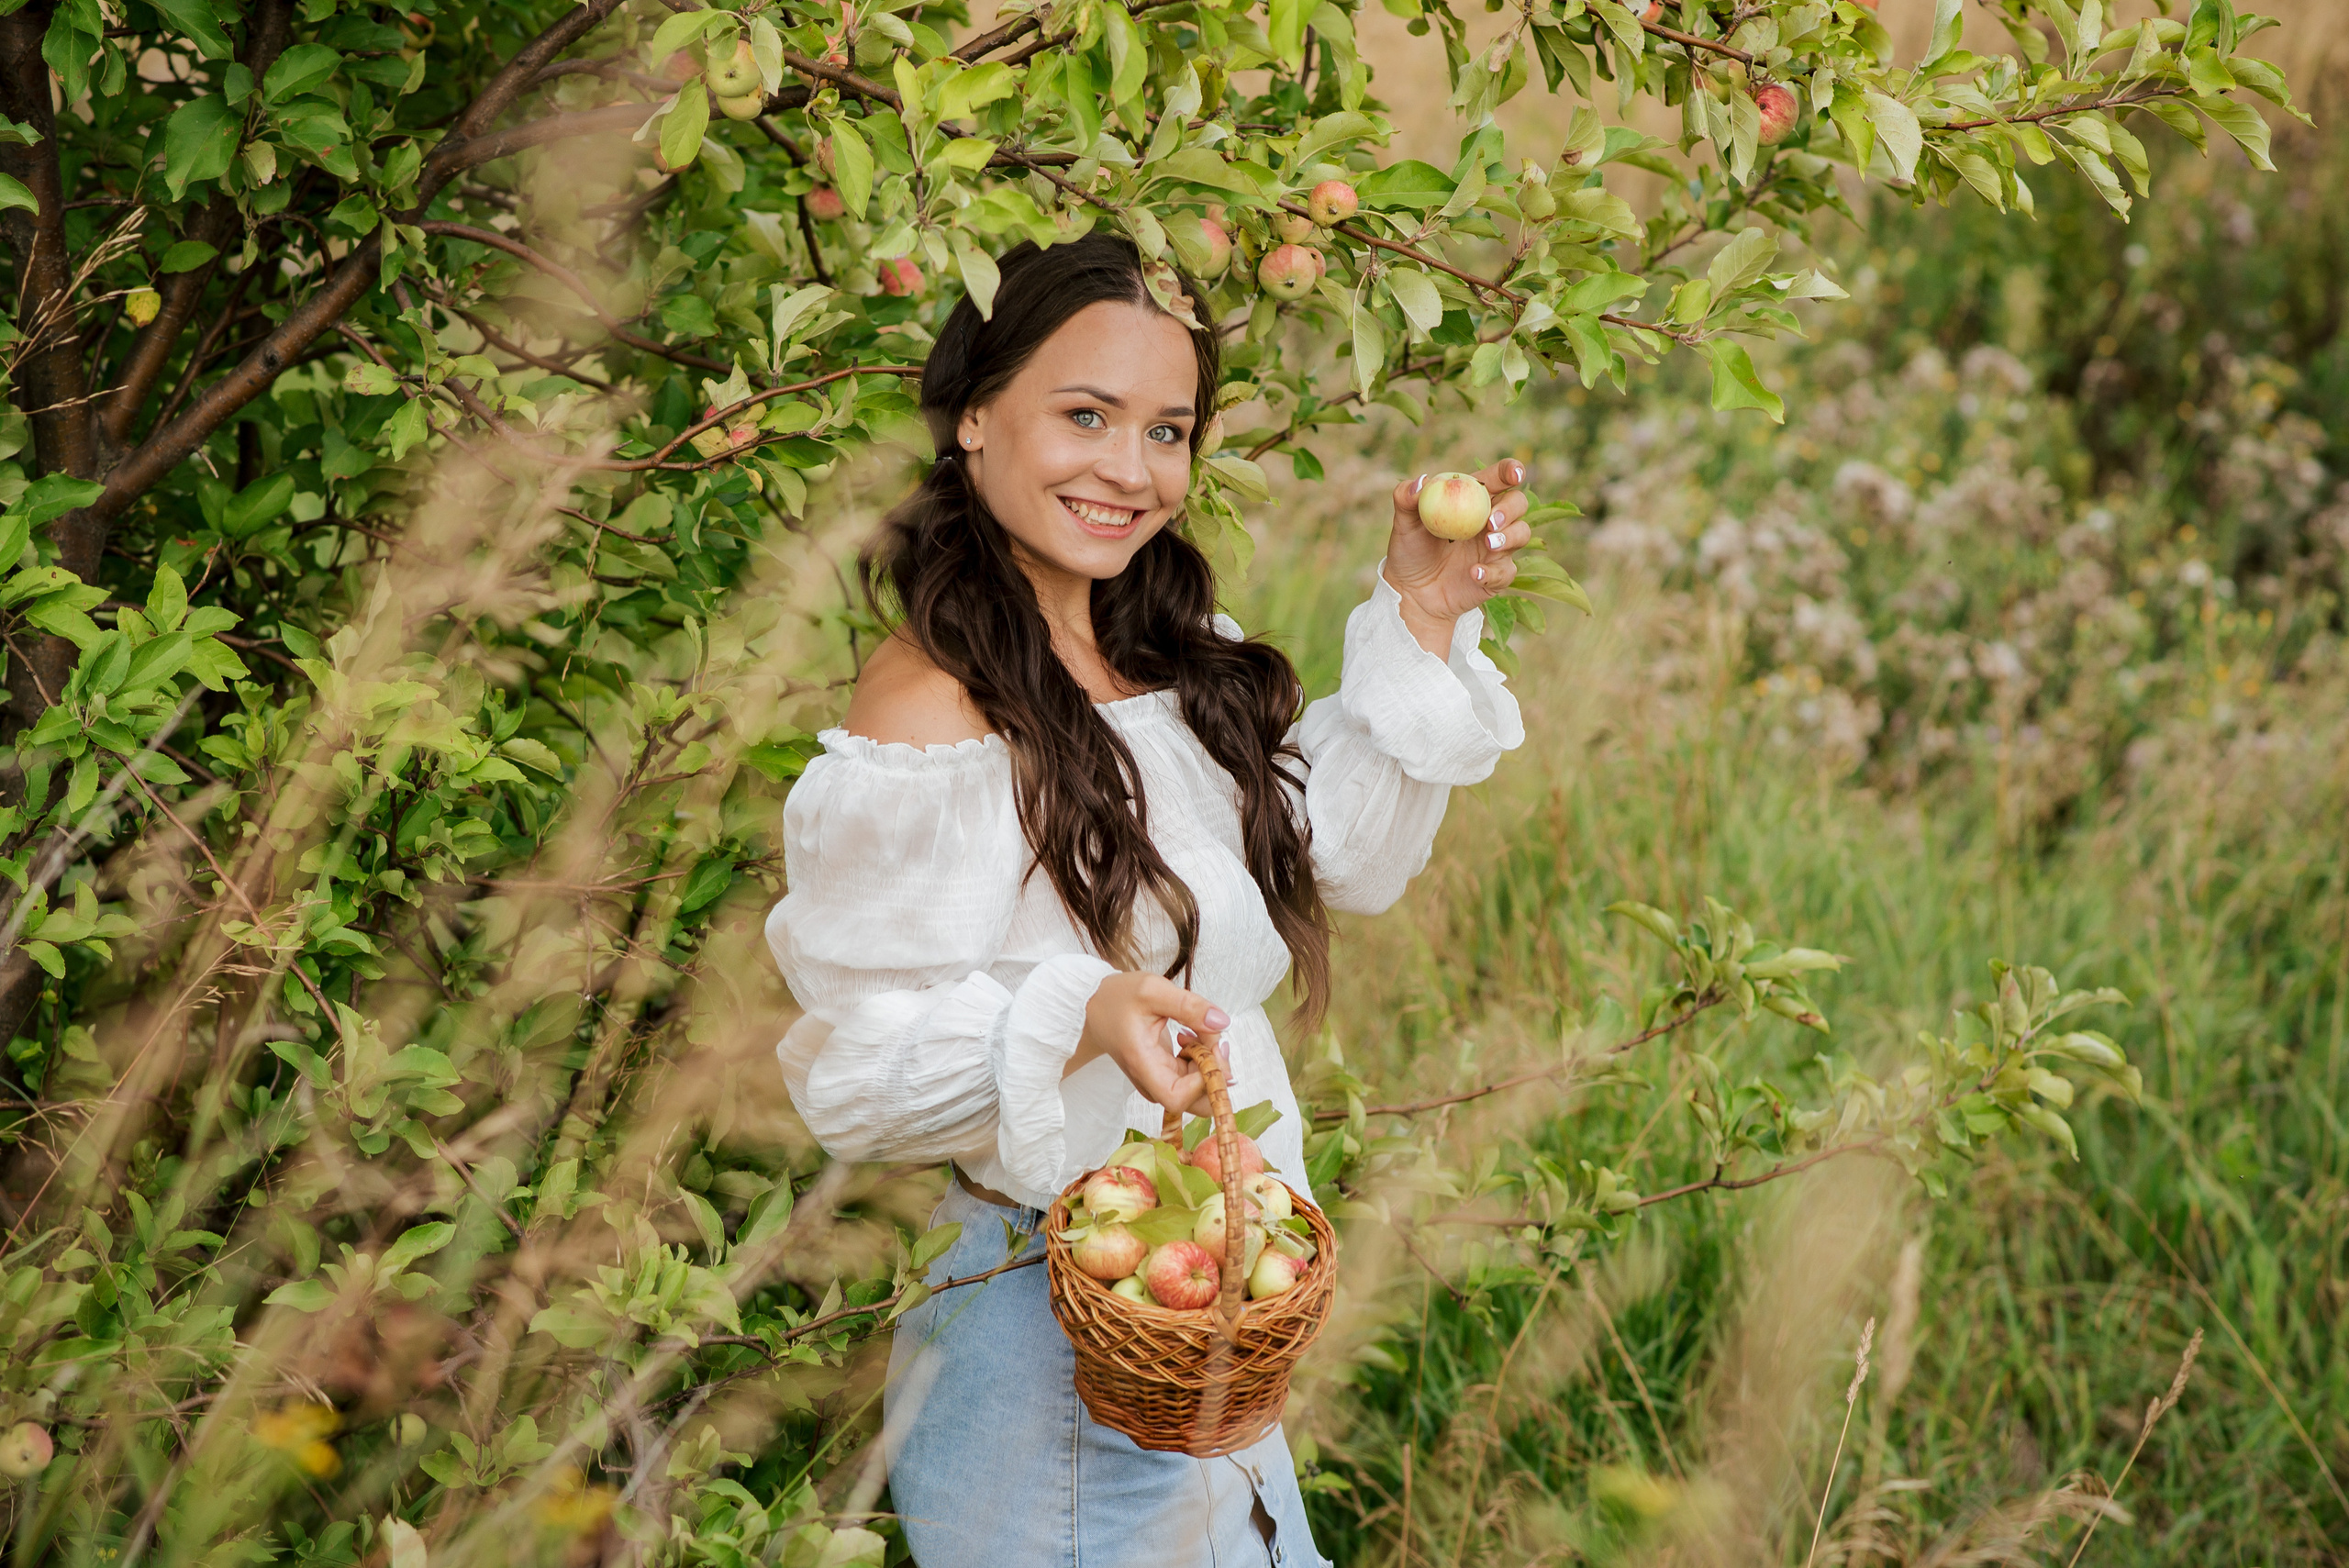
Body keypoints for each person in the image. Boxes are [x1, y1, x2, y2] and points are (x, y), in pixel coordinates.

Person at [765, 232, 1531, 1567]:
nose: (1129, 469)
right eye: (1085, 415)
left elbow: (1337, 856)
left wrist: (1418, 616)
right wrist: (1078, 1012)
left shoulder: (1164, 649)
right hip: (1052, 1339)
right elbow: (853, 1074)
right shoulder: (933, 707)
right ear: (975, 416)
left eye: (1166, 431)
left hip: (1195, 1319)